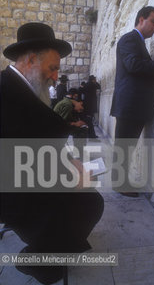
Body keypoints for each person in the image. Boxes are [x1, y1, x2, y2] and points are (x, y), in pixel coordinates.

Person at [0, 22, 104, 284]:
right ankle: (39, 263)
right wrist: (69, 174)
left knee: (86, 194)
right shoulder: (7, 93)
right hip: (15, 196)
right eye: (53, 68)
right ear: (32, 60)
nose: (56, 77)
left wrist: (70, 163)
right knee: (89, 203)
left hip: (27, 183)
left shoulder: (21, 87)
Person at [110, 6, 154, 197]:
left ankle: (121, 182)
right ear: (141, 20)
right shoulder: (129, 39)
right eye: (153, 21)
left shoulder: (138, 42)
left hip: (132, 106)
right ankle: (120, 184)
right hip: (130, 105)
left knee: (126, 146)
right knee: (124, 146)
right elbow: (133, 65)